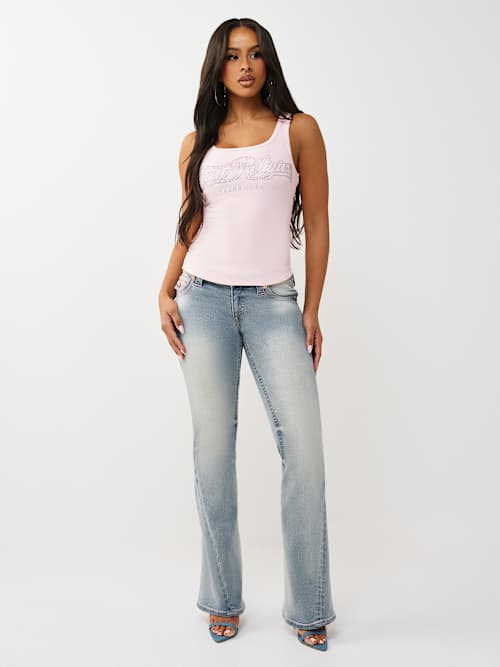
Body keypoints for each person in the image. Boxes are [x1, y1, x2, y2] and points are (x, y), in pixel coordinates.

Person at [158, 17, 336, 651]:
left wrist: (311, 309)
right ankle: (222, 598)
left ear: (269, 64)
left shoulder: (298, 131)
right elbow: (190, 223)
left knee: (305, 453)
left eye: (256, 54)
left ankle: (309, 606)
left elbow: (319, 220)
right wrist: (165, 289)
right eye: (233, 55)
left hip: (274, 304)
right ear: (218, 66)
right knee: (213, 455)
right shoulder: (197, 143)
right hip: (202, 301)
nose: (245, 65)